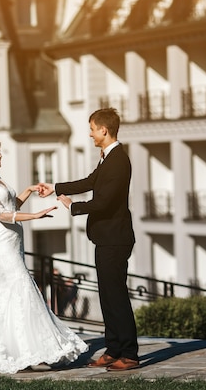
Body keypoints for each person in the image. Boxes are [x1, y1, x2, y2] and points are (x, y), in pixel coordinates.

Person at [0, 134, 88, 374]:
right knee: (21, 287)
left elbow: (12, 206)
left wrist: (29, 190)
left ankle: (14, 349)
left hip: (13, 241)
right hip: (0, 244)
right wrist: (35, 216)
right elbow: (0, 214)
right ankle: (31, 351)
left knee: (8, 292)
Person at [39, 107, 140, 371]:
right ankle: (114, 349)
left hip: (115, 239)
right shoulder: (108, 157)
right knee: (107, 296)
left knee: (116, 297)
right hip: (105, 238)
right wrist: (56, 188)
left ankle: (129, 353)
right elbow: (91, 181)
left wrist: (74, 207)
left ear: (104, 130)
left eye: (93, 129)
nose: (91, 134)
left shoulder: (119, 160)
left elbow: (105, 201)